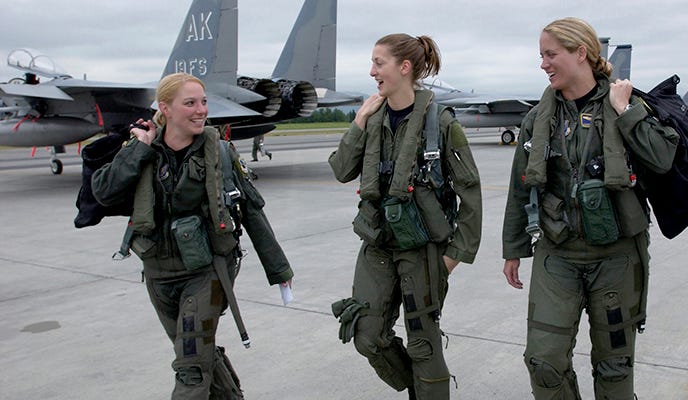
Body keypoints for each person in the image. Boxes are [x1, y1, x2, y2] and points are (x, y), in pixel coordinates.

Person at [501, 17, 679, 399]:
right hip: (557, 254)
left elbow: (663, 158)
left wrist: (626, 111)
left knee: (615, 370)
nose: (544, 64)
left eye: (551, 54)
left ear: (581, 53)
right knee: (544, 362)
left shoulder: (626, 105)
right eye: (541, 55)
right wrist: (514, 248)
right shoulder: (537, 120)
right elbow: (521, 187)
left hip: (616, 258)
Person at [92, 72, 294, 399]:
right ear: (165, 108)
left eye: (203, 102)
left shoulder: (221, 154)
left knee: (190, 367)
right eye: (190, 103)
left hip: (208, 271)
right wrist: (136, 150)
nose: (201, 110)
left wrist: (279, 270)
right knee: (197, 354)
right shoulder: (142, 150)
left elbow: (252, 210)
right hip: (159, 273)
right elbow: (103, 191)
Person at [328, 33, 482, 399]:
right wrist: (359, 120)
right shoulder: (373, 119)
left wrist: (455, 254)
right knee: (366, 335)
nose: (372, 71)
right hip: (378, 245)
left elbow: (470, 192)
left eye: (379, 63)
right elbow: (341, 169)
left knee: (423, 343)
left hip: (423, 250)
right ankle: (418, 388)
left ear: (404, 67)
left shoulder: (441, 123)